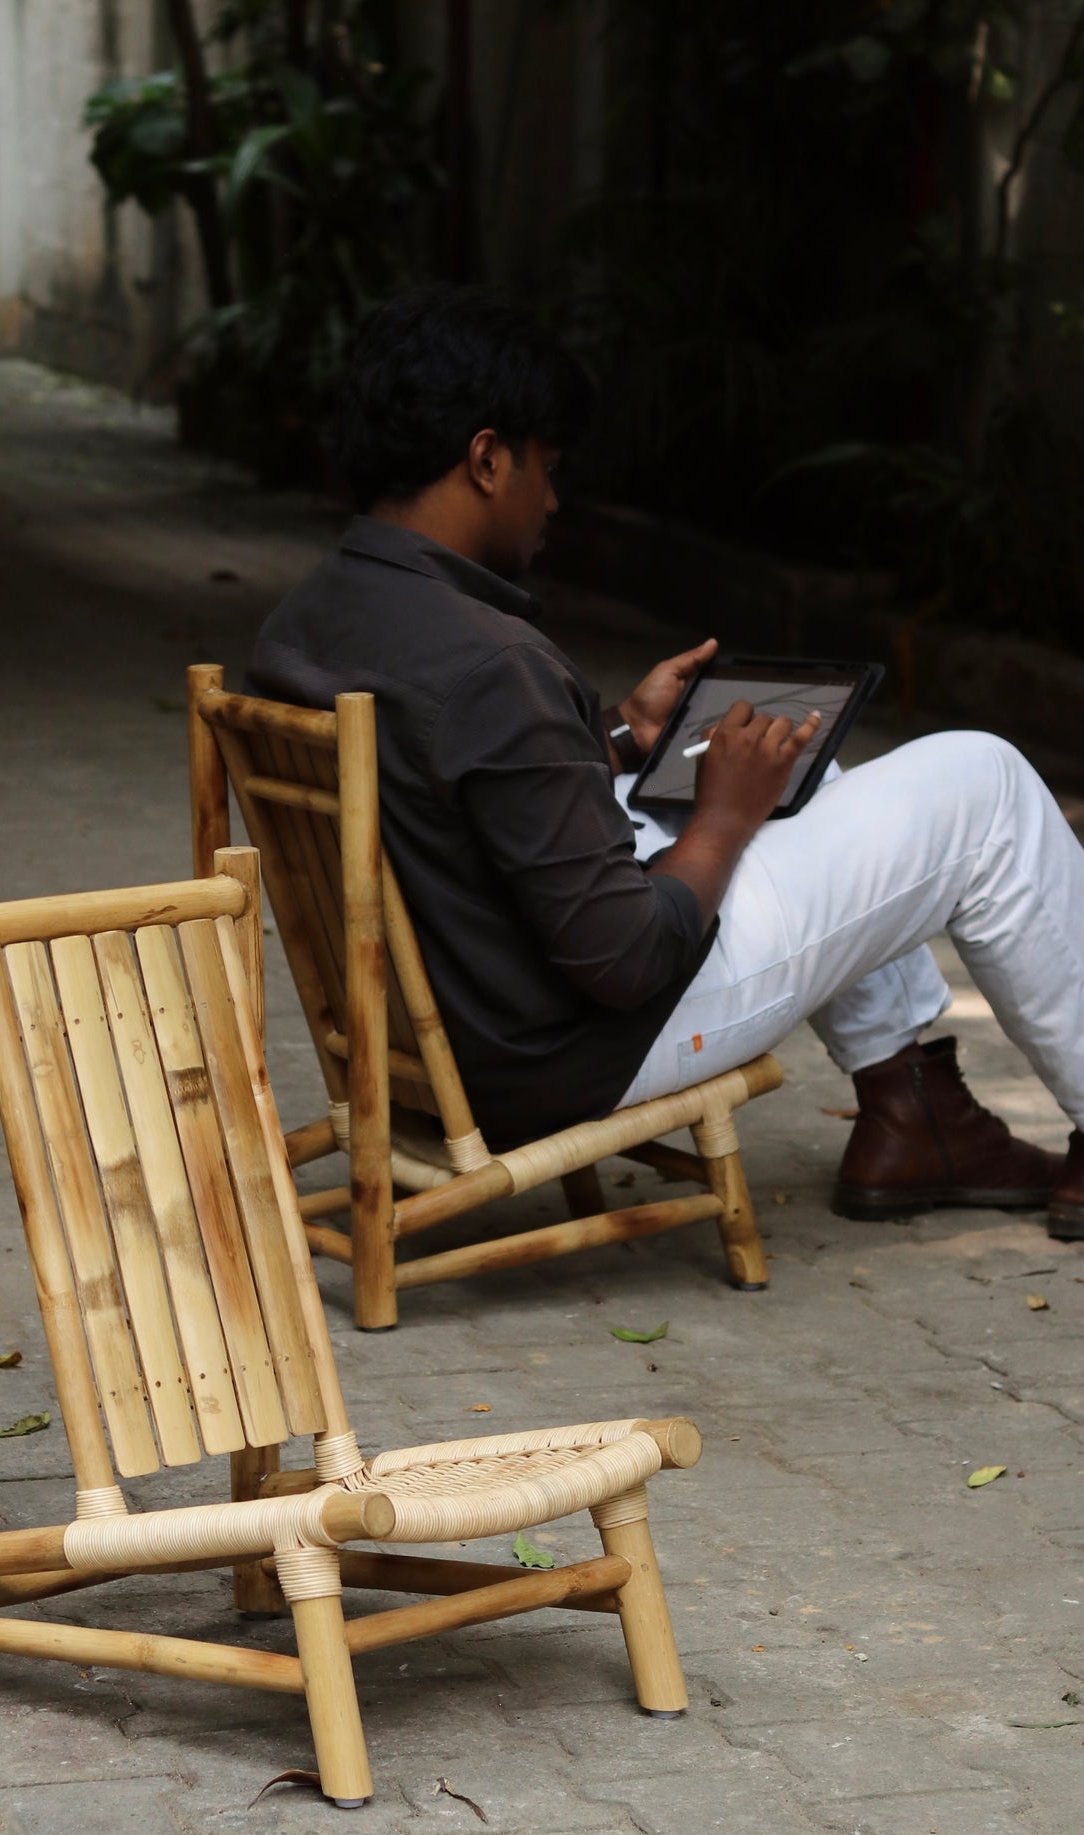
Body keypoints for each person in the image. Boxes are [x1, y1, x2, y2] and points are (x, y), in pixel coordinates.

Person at [247, 287, 1084, 1239]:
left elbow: (439, 788)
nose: (552, 500)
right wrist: (724, 814)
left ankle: (915, 1116)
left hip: (455, 1020)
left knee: (805, 771)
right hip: (569, 1050)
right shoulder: (493, 663)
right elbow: (626, 957)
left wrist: (606, 739)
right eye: (545, 469)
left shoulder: (311, 617)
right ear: (486, 459)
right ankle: (943, 1112)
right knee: (985, 783)